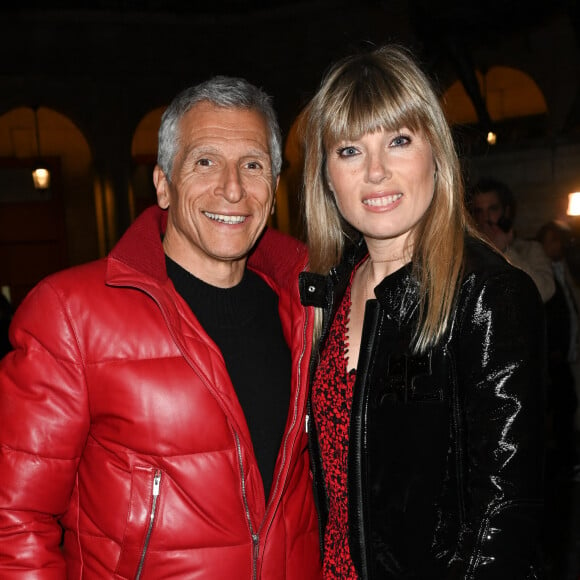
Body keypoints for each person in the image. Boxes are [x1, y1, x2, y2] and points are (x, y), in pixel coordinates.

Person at [0, 76, 321, 578]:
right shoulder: (70, 314)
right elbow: (15, 522)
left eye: (253, 165)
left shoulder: (311, 309)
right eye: (205, 162)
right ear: (163, 184)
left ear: (274, 187)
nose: (232, 187)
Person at [298, 45, 546, 579]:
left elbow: (505, 516)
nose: (377, 172)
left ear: (435, 150)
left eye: (399, 140)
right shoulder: (329, 290)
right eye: (349, 151)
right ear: (325, 175)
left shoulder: (487, 294)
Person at [537, 219, 580, 476]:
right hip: (552, 354)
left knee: (567, 405)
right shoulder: (543, 274)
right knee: (561, 407)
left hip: (565, 351)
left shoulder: (564, 268)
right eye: (552, 240)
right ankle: (564, 464)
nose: (558, 245)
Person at [468, 177, 555, 302]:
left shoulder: (529, 250)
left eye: (493, 209)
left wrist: (505, 251)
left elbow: (544, 291)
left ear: (506, 212)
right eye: (479, 211)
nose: (485, 218)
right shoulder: (469, 252)